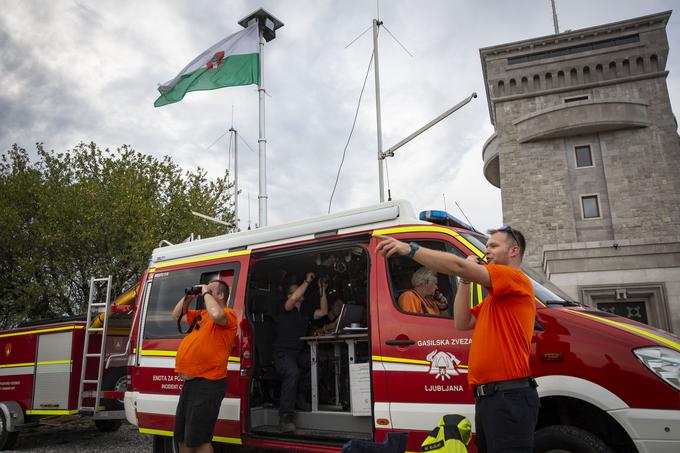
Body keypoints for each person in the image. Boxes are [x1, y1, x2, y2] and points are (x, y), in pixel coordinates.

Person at [377, 226, 538, 452]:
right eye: (487, 246)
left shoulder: (514, 278)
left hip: (507, 397)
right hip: (493, 398)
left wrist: (409, 249)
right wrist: (464, 280)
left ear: (514, 251)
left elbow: (458, 264)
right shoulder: (496, 299)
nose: (487, 250)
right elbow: (461, 322)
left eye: (493, 245)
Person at [171, 279, 238, 453]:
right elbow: (176, 315)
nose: (205, 292)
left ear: (221, 295)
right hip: (192, 382)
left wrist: (206, 292)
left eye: (211, 290)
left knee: (199, 438)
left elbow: (217, 315)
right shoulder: (202, 315)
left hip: (210, 383)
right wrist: (189, 297)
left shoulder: (228, 315)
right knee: (182, 436)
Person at [274, 272, 329, 433]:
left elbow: (324, 312)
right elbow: (292, 301)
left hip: (298, 353)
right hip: (283, 353)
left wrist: (323, 290)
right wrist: (306, 281)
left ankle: (300, 393)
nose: (301, 291)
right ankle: (285, 417)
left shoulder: (304, 311)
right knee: (292, 373)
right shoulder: (284, 307)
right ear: (290, 294)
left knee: (319, 361)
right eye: (297, 289)